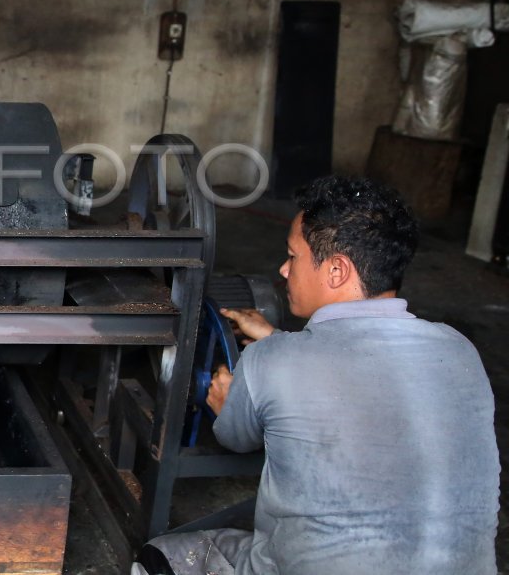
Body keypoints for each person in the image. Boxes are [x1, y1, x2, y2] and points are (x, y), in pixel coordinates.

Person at [132, 175, 500, 575]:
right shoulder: (459, 349)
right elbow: (371, 376)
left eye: (293, 256)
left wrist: (230, 396)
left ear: (337, 270)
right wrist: (278, 341)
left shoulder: (272, 361)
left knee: (162, 556)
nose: (284, 270)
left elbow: (236, 438)